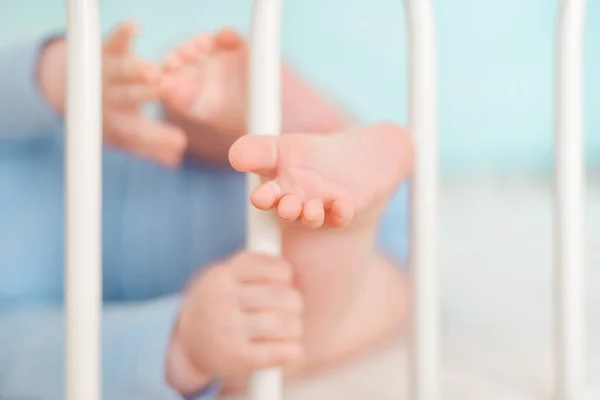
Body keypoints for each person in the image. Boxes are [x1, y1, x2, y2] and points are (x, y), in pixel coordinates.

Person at [0, 22, 410, 399]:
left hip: (189, 162)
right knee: (272, 338)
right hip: (241, 275)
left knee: (187, 116)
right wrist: (180, 345)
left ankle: (254, 114)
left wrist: (57, 76)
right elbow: (37, 360)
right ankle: (339, 211)